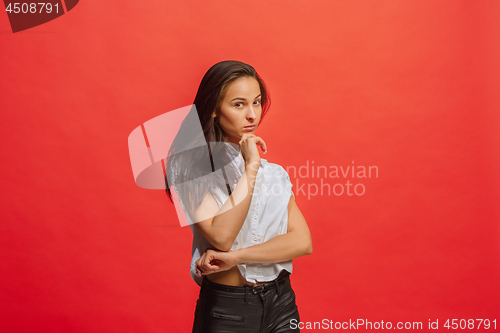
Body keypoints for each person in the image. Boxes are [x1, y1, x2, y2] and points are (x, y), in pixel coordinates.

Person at [165, 60, 312, 333]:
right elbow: (221, 236)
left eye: (256, 102)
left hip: (282, 303)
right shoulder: (191, 168)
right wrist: (251, 167)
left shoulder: (274, 173)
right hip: (227, 310)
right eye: (238, 104)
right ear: (212, 110)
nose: (252, 115)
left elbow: (302, 241)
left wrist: (237, 257)